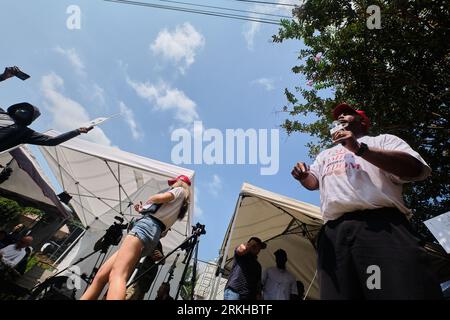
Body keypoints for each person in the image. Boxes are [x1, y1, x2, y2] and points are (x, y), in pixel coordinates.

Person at [291, 102, 443, 300]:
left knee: (397, 291)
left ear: (363, 121)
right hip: (334, 235)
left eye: (347, 114)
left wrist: (359, 149)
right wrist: (303, 176)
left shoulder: (382, 140)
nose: (341, 117)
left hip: (380, 227)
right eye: (339, 115)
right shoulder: (325, 154)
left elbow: (414, 168)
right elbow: (313, 182)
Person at [80, 175, 192, 300]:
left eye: (173, 183)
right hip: (152, 232)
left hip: (144, 228)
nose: (171, 186)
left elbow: (161, 198)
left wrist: (151, 198)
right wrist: (143, 210)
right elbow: (160, 223)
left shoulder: (179, 190)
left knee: (117, 275)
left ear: (180, 183)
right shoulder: (179, 207)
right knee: (101, 275)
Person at [0, 102, 93, 153]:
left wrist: (77, 131)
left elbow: (52, 141)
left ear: (29, 118)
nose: (22, 110)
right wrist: (4, 76)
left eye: (27, 111)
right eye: (22, 107)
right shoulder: (2, 113)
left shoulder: (24, 132)